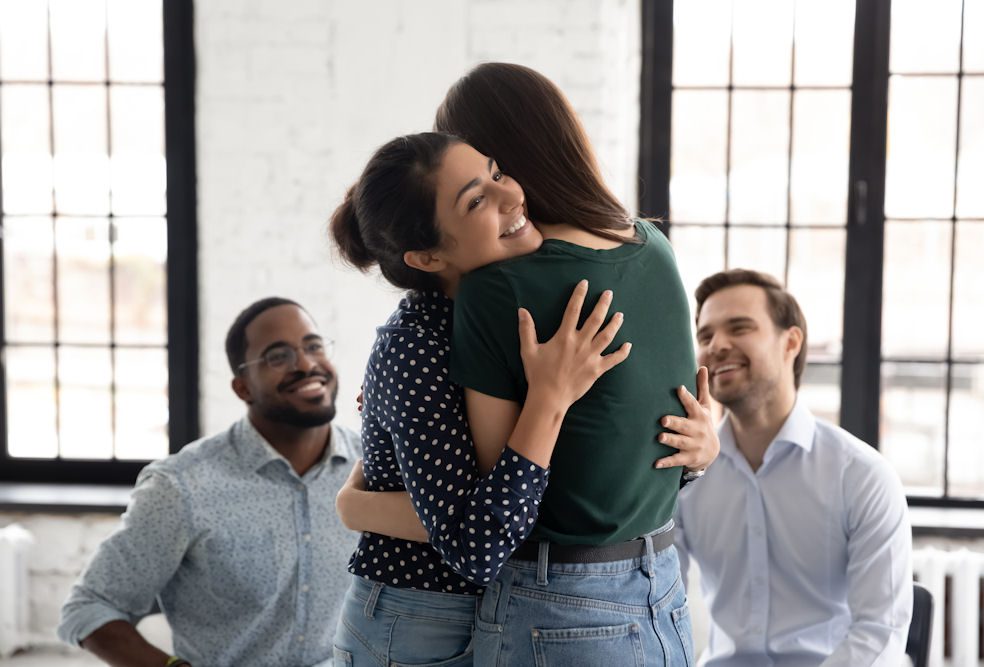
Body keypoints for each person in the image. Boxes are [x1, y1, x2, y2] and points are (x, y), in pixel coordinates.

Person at [433, 62, 713, 665]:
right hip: (663, 585)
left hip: (556, 601)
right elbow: (655, 441)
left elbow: (495, 502)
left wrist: (355, 502)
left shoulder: (498, 288)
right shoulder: (652, 246)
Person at [328, 131, 640, 667]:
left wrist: (695, 456)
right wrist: (548, 399)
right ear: (426, 257)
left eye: (497, 173)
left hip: (515, 611)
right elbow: (475, 547)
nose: (512, 196)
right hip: (417, 621)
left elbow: (590, 462)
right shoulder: (415, 347)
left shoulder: (522, 312)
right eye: (475, 200)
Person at [58, 297, 362, 667]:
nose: (306, 364)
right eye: (278, 356)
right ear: (242, 388)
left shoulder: (376, 468)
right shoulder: (182, 486)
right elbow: (89, 607)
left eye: (313, 346)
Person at [674, 269, 912, 666]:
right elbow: (660, 605)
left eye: (739, 327)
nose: (716, 346)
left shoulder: (861, 475)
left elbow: (880, 634)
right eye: (705, 336)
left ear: (791, 342)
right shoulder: (686, 480)